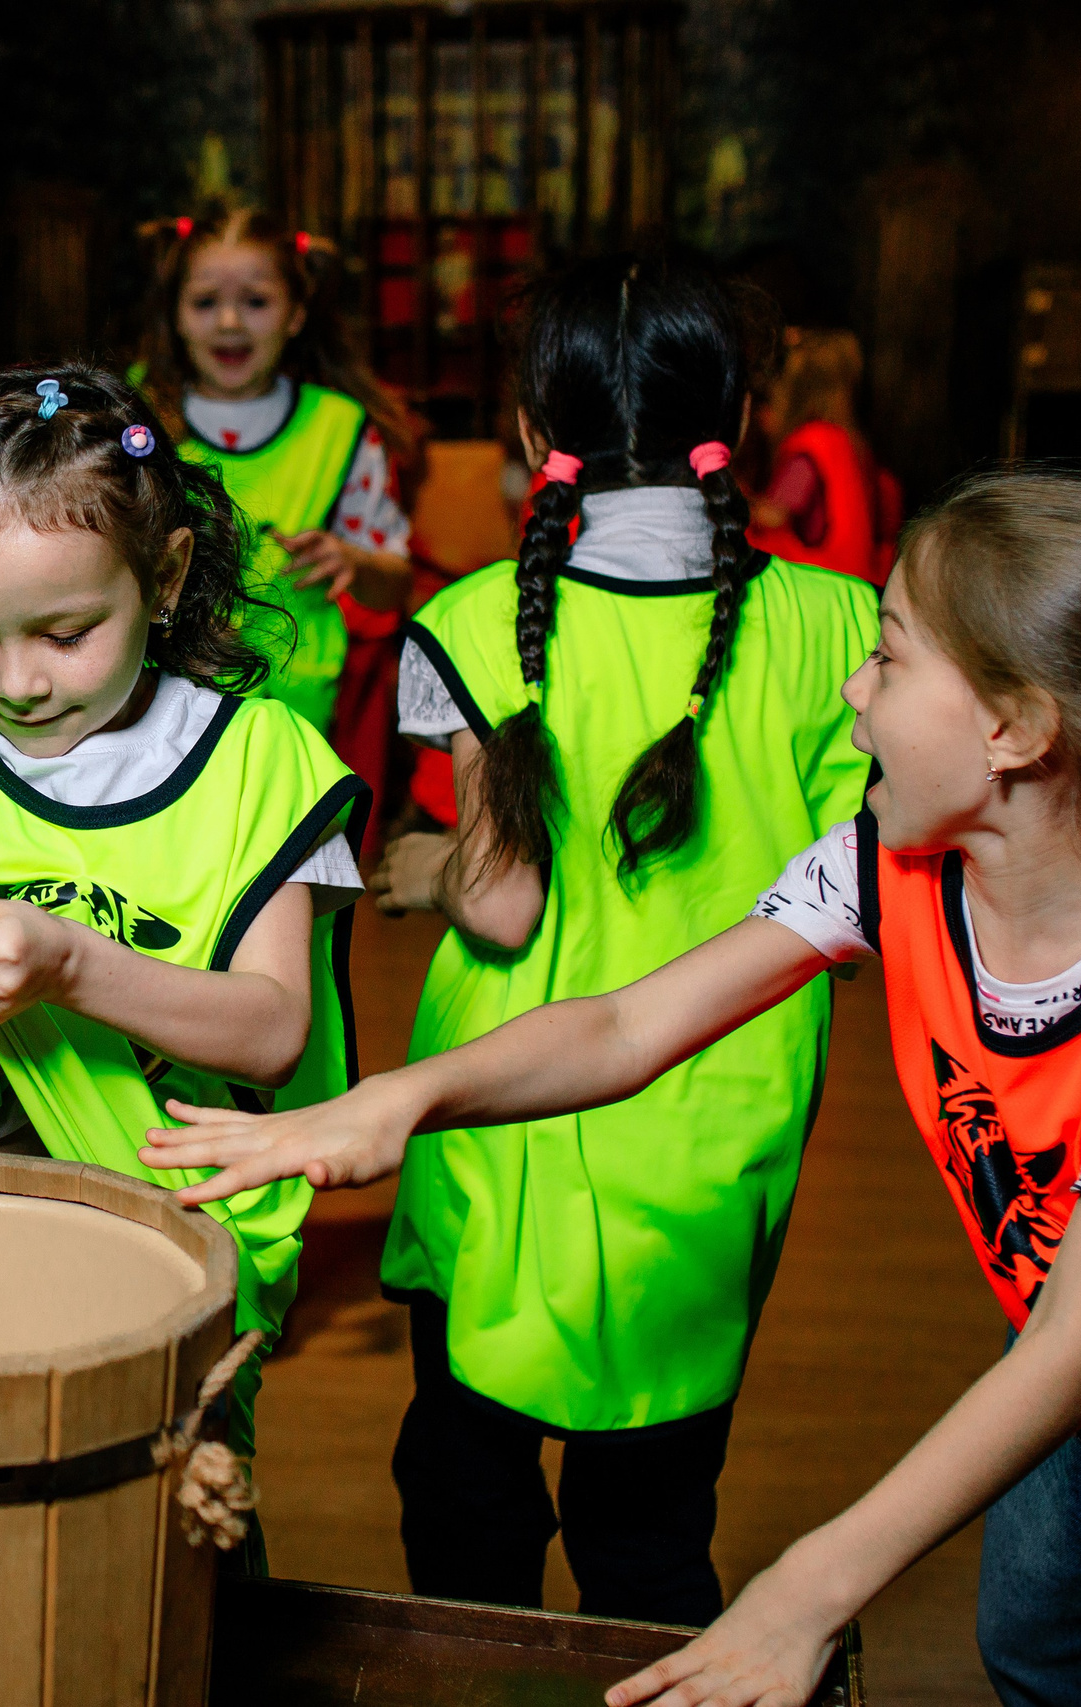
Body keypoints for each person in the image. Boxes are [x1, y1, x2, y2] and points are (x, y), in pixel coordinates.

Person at [147, 469, 1081, 1707]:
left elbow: (1068, 1354)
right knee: (1032, 1653)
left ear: (1015, 730)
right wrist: (399, 1098)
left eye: (888, 657)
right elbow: (623, 1023)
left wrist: (806, 1591)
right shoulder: (891, 862)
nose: (850, 689)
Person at [348, 253, 883, 1625]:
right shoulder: (841, 626)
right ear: (744, 415)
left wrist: (413, 865)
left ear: (534, 432)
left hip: (496, 1129)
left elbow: (502, 899)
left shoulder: (473, 624)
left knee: (468, 1500)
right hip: (716, 1135)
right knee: (650, 1524)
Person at [0, 367, 370, 1527]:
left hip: (180, 1257)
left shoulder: (266, 761)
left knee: (162, 1545)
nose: (19, 682)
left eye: (67, 631)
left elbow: (274, 1028)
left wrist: (74, 968)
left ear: (168, 574)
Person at [135, 207, 418, 737]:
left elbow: (396, 583)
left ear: (296, 314)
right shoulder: (134, 413)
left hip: (298, 713)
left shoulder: (340, 426)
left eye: (256, 302)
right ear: (175, 313)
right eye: (204, 302)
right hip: (160, 707)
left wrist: (354, 561)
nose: (229, 322)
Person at [746, 327, 903, 585]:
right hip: (857, 584)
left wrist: (732, 498)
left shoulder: (812, 443)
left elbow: (774, 515)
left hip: (822, 585)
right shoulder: (850, 441)